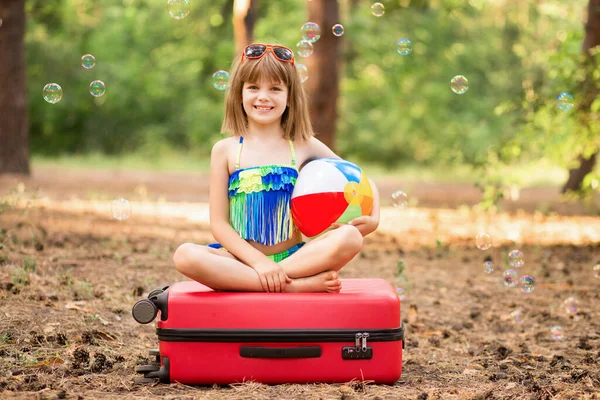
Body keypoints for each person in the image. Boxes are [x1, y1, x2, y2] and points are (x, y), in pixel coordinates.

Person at [173, 43, 380, 293]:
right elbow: (219, 224)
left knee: (350, 237)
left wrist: (374, 216)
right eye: (253, 87)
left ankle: (270, 280)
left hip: (297, 259)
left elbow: (358, 178)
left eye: (274, 88)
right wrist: (259, 262)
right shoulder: (225, 151)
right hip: (242, 261)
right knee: (185, 255)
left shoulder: (303, 145)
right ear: (238, 93)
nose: (263, 96)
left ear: (289, 97)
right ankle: (293, 287)